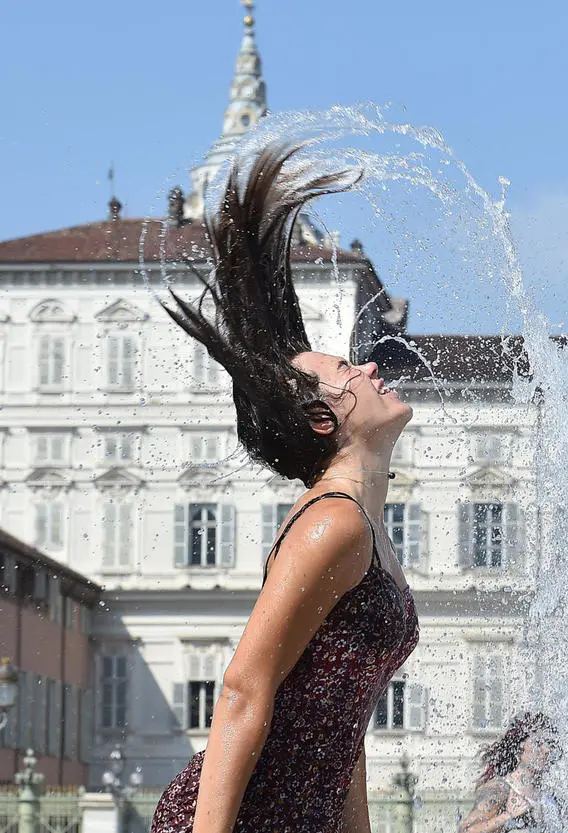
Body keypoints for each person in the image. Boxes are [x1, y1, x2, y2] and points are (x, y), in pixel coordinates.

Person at [150, 143, 418, 833]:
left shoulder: (367, 529)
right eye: (345, 369)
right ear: (324, 418)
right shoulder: (334, 524)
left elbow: (344, 717)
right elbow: (242, 686)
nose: (366, 368)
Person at [459, 712, 562, 832]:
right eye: (537, 743)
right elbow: (466, 830)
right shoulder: (500, 789)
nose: (546, 750)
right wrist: (507, 815)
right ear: (519, 748)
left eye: (549, 744)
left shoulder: (548, 797)